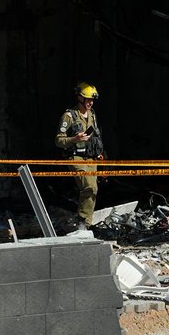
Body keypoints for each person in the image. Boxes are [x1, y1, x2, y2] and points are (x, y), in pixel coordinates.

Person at [55, 82, 106, 231]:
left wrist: (101, 154)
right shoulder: (69, 116)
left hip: (91, 158)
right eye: (87, 99)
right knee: (88, 187)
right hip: (76, 157)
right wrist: (74, 139)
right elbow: (59, 140)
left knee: (94, 189)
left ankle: (86, 224)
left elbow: (96, 136)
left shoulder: (92, 114)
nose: (90, 102)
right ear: (79, 98)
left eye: (92, 100)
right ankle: (83, 222)